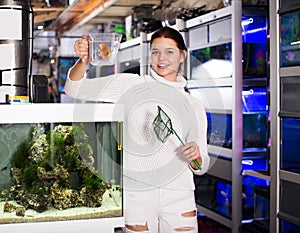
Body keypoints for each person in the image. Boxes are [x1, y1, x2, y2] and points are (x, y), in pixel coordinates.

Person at [65, 27, 210, 233]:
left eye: (169, 51)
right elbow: (74, 88)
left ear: (182, 55)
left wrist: (196, 156)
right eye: (155, 51)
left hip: (180, 195)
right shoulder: (132, 85)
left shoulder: (194, 105)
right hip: (137, 192)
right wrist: (83, 61)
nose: (161, 58)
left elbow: (201, 164)